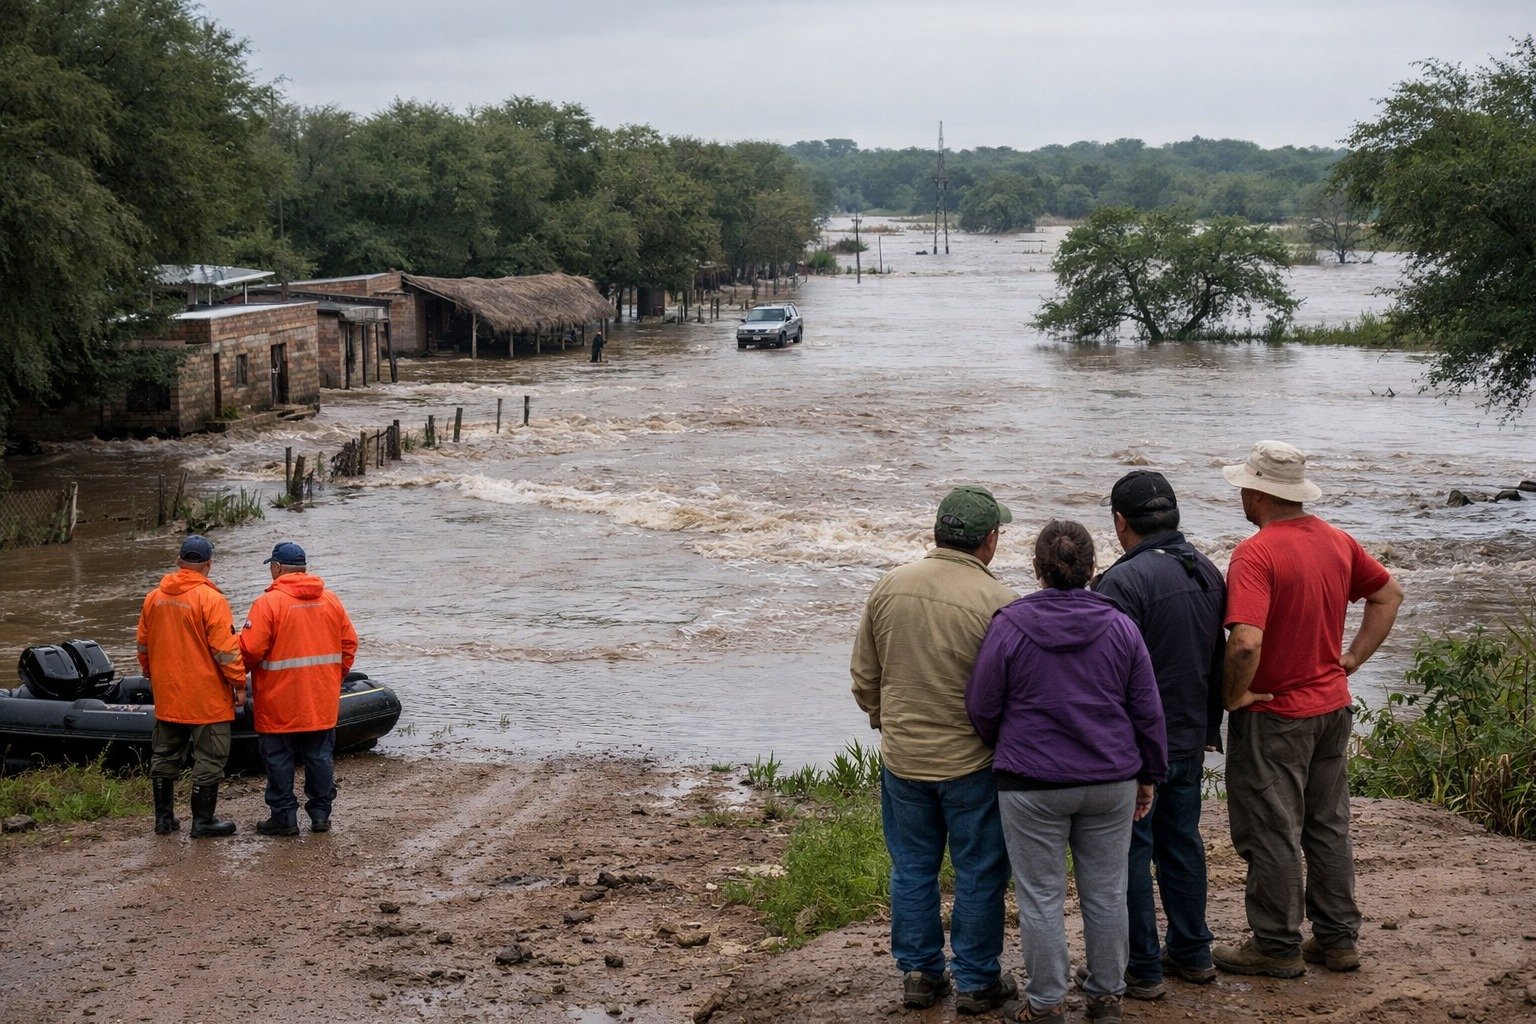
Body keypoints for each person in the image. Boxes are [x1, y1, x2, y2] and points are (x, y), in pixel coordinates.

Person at [1214, 440, 1403, 978]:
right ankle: (1338, 939)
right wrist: (1350, 661)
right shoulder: (1337, 541)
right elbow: (1389, 595)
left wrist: (1233, 697)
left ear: (1257, 493)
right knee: (1327, 824)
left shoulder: (1256, 552)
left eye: (1243, 488)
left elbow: (1245, 641)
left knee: (1271, 829)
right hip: (1331, 707)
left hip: (1276, 714)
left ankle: (1275, 944)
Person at [968, 520, 1167, 1024]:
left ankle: (1047, 1002)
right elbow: (1147, 709)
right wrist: (1150, 773)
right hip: (1109, 779)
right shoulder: (1120, 625)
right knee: (1106, 892)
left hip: (1030, 782)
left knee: (1040, 896)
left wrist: (1009, 743)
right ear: (1092, 569)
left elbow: (983, 704)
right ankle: (1105, 998)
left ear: (1036, 568)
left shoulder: (1010, 624)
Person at [851, 486, 1019, 1015]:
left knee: (912, 867)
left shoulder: (890, 585)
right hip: (973, 761)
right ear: (989, 540)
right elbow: (1014, 692)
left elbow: (864, 677)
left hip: (903, 758)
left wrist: (886, 719)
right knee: (979, 870)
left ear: (938, 533)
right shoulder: (1001, 602)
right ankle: (975, 980)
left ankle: (920, 975)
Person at [1091, 472, 1226, 998]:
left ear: (1120, 522)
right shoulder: (1208, 572)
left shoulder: (1121, 583)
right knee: (1182, 842)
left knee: (1130, 849)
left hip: (1135, 746)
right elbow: (1218, 658)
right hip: (1190, 735)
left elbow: (1103, 674)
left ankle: (1142, 965)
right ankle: (1193, 951)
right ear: (1173, 516)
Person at [240, 541, 358, 837]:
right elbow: (349, 645)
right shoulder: (331, 601)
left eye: (271, 566)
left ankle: (283, 818)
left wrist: (233, 678)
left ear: (277, 568)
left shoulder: (268, 604)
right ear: (303, 568)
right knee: (319, 757)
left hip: (278, 700)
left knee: (279, 758)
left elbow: (249, 651)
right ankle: (320, 815)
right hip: (319, 698)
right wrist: (333, 678)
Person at [135, 534, 244, 838]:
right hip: (205, 697)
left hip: (168, 693)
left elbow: (143, 646)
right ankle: (203, 821)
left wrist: (151, 674)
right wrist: (238, 683)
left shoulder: (154, 597)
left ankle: (163, 819)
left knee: (165, 755)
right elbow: (226, 651)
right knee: (210, 756)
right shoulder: (211, 599)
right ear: (208, 564)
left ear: (179, 561)